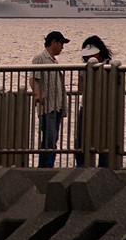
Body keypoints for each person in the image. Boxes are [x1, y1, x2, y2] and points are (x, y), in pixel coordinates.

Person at [30, 30, 69, 168]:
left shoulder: (54, 61)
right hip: (47, 105)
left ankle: (47, 165)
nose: (62, 48)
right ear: (54, 42)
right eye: (61, 44)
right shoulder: (39, 58)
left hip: (56, 105)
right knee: (49, 137)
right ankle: (45, 167)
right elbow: (33, 79)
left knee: (52, 137)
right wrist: (38, 95)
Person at [75, 35, 114, 167]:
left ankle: (104, 168)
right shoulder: (84, 67)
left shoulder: (110, 65)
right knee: (81, 140)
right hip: (86, 106)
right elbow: (80, 89)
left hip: (105, 107)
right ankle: (81, 166)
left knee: (105, 140)